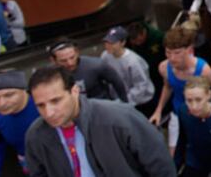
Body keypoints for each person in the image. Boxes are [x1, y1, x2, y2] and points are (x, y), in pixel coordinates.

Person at [25, 66, 176, 177]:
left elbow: (159, 165)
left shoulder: (118, 117)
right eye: (41, 105)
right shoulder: (36, 135)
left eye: (56, 101)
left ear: (75, 91)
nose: (49, 112)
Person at [148, 27, 211, 154]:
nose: (172, 58)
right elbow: (168, 87)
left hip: (201, 116)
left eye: (177, 52)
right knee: (173, 154)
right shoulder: (164, 67)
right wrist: (158, 111)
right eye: (168, 52)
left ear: (189, 50)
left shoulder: (204, 70)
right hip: (177, 113)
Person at [0, 70, 39, 177]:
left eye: (9, 95)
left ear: (24, 91)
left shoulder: (41, 104)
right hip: (28, 164)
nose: (2, 103)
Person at [48, 38, 128, 102]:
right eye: (63, 61)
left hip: (101, 108)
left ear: (77, 52)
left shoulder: (95, 65)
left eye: (72, 57)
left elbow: (117, 81)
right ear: (53, 60)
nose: (70, 63)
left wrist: (124, 104)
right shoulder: (50, 76)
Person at [100, 26, 155, 116]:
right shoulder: (105, 56)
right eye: (106, 42)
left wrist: (124, 102)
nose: (107, 45)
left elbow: (141, 87)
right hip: (120, 101)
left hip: (140, 103)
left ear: (123, 43)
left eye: (112, 43)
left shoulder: (133, 61)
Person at [127, 20, 166, 113]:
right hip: (144, 71)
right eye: (135, 42)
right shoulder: (130, 40)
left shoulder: (158, 37)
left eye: (139, 41)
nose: (137, 43)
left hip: (158, 71)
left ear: (143, 33)